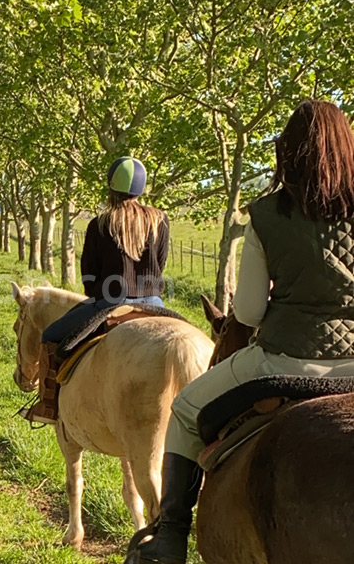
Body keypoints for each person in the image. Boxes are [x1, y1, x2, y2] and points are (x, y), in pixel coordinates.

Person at [124, 99, 354, 564]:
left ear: (287, 153)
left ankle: (169, 538)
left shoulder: (269, 215)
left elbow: (246, 312)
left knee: (187, 410)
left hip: (284, 359)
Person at [20, 156, 169, 424]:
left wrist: (95, 293)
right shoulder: (160, 220)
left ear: (110, 186)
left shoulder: (100, 224)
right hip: (155, 304)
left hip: (111, 302)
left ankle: (49, 407)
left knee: (51, 335)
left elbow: (89, 273)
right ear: (142, 188)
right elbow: (162, 262)